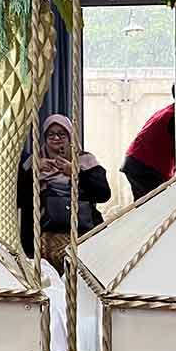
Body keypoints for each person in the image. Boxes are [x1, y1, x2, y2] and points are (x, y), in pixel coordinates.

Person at [17, 114, 111, 273]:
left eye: (61, 134)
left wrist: (76, 173)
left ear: (70, 137)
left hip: (82, 230)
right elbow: (19, 199)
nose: (56, 138)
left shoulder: (85, 160)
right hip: (43, 233)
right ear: (44, 138)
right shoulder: (32, 162)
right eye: (51, 134)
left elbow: (103, 194)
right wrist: (34, 171)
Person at [122, 102, 176, 202]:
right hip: (145, 166)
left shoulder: (168, 111)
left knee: (146, 204)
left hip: (136, 161)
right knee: (155, 205)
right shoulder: (174, 116)